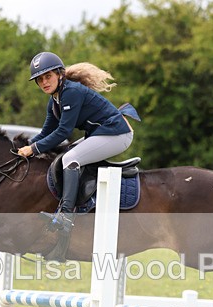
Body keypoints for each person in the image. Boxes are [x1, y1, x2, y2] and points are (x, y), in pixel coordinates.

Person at [17, 52, 134, 256]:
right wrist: (25, 146)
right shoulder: (54, 100)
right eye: (40, 79)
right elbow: (46, 133)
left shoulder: (71, 92)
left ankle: (65, 215)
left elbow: (63, 132)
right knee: (68, 155)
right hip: (103, 133)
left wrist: (33, 149)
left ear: (59, 74)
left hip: (119, 134)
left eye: (48, 76)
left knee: (70, 158)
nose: (44, 82)